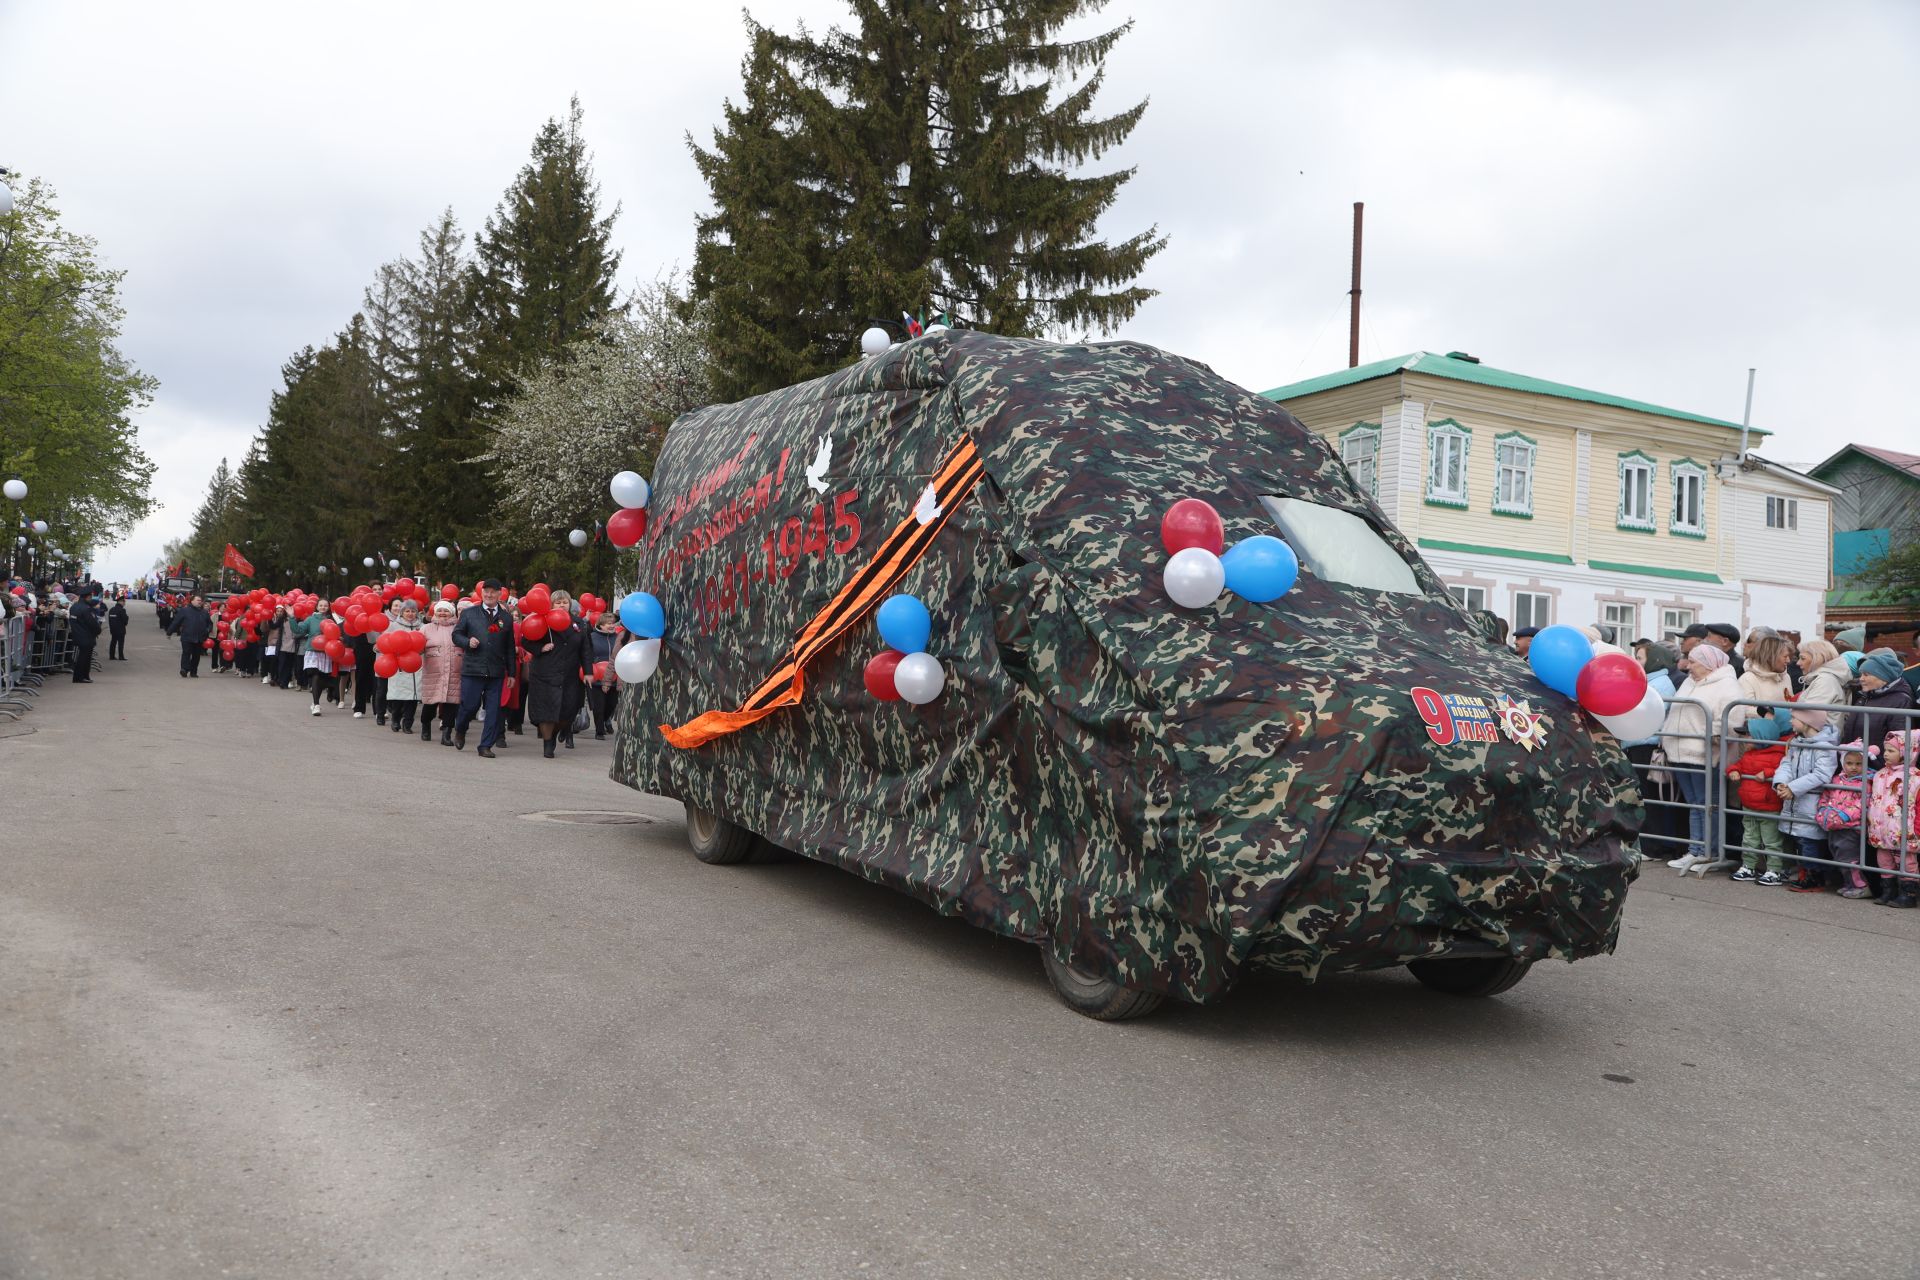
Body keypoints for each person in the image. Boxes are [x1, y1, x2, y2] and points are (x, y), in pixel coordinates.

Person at [1660, 643, 1744, 873]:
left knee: (1708, 804)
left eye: (1694, 661)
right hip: (1679, 749)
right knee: (1695, 804)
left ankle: (1710, 851)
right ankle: (1696, 850)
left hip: (1705, 753)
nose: (1688, 665)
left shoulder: (1727, 685)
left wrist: (1716, 734)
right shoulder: (1690, 681)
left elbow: (1732, 716)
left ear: (1708, 664)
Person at [1770, 707, 1838, 890]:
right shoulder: (1796, 743)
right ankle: (1805, 873)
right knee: (1801, 841)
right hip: (1795, 800)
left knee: (1809, 841)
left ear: (1807, 722)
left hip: (1811, 802)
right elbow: (1786, 764)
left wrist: (1793, 788)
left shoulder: (1825, 747)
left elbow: (1822, 774)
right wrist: (1781, 783)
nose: (1790, 721)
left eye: (1794, 718)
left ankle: (1814, 877)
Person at [522, 590, 590, 758]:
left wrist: (588, 671)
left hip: (570, 674)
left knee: (568, 711)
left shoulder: (579, 623)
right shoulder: (542, 620)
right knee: (546, 711)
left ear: (570, 604)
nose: (561, 605)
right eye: (558, 602)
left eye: (565, 602)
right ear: (551, 604)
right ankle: (547, 743)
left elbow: (586, 649)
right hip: (545, 673)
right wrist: (540, 648)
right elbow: (526, 640)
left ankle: (554, 733)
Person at [451, 580, 516, 757]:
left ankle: (485, 745)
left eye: (493, 592)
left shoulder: (506, 618)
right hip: (473, 668)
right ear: (481, 593)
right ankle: (461, 729)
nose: (489, 595)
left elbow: (510, 647)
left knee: (493, 711)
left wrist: (512, 673)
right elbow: (456, 635)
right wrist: (467, 642)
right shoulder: (469, 613)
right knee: (469, 706)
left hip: (496, 671)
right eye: (486, 591)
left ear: (500, 595)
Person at [1864, 729, 1919, 908]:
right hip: (1881, 830)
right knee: (1884, 861)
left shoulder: (1915, 778)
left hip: (1904, 831)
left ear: (1906, 753)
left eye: (1891, 751)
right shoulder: (1880, 774)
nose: (1886, 754)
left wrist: (1917, 829)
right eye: (1885, 750)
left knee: (1907, 863)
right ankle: (1888, 890)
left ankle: (1908, 893)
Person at [1726, 731, 1788, 884]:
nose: (1746, 739)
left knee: (1772, 841)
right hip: (1749, 806)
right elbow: (1738, 765)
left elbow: (1783, 771)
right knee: (1749, 839)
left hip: (1769, 806)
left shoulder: (1778, 755)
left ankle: (1774, 870)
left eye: (1751, 736)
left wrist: (1767, 773)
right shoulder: (1749, 755)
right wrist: (1733, 770)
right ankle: (1749, 866)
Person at [1816, 739, 1872, 899]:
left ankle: (1861, 886)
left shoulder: (1865, 782)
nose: (1853, 767)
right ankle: (1848, 884)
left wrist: (1844, 815)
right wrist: (1822, 812)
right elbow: (1826, 796)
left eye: (1858, 764)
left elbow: (1863, 804)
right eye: (1849, 763)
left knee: (1850, 859)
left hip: (1850, 828)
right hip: (1833, 825)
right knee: (1838, 856)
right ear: (1843, 763)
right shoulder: (1836, 780)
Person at [1841, 650, 1915, 764]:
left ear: (1883, 678)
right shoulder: (1866, 696)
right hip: (1856, 766)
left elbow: (1897, 742)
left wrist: (1879, 765)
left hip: (1877, 768)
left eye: (1866, 674)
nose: (1861, 679)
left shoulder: (1900, 700)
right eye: (1861, 674)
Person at [418, 600, 464, 745]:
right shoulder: (425, 628)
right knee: (430, 703)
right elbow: (418, 647)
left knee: (452, 704)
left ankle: (447, 734)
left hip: (455, 672)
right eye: (440, 610)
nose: (443, 613)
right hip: (433, 672)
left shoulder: (460, 628)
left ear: (452, 612)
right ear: (435, 612)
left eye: (446, 610)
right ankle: (426, 726)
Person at [383, 599, 424, 735]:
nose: (410, 613)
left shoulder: (422, 627)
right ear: (402, 612)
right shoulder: (393, 626)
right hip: (399, 667)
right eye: (407, 611)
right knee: (399, 698)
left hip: (416, 667)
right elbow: (383, 643)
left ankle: (407, 724)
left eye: (413, 611)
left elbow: (425, 644)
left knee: (412, 699)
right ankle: (395, 720)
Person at [586, 610, 624, 739]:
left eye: (613, 623)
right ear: (601, 625)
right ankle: (599, 731)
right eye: (608, 623)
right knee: (599, 706)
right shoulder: (592, 637)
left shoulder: (619, 637)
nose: (612, 625)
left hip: (614, 677)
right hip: (597, 677)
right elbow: (586, 655)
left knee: (611, 705)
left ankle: (606, 719)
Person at [1795, 637, 1850, 712]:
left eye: (1803, 658)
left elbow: (1808, 715)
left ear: (1817, 659)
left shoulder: (1825, 680)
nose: (1798, 663)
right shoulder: (1825, 678)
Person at [167, 594, 213, 677]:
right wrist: (169, 632)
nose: (200, 602)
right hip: (187, 637)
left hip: (199, 638)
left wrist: (207, 630)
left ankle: (193, 672)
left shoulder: (204, 612)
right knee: (186, 653)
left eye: (200, 601)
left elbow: (209, 624)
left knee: (196, 656)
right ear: (192, 601)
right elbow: (176, 622)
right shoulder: (185, 610)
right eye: (198, 600)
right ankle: (184, 669)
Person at [67, 593, 101, 682]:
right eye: (90, 598)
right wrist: (98, 630)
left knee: (82, 656)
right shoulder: (86, 609)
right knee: (85, 657)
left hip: (77, 634)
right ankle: (82, 676)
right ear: (87, 597)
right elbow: (92, 623)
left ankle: (80, 676)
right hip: (87, 635)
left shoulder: (74, 607)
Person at [107, 596, 129, 660]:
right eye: (124, 602)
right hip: (120, 629)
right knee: (120, 643)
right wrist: (127, 619)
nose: (124, 603)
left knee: (113, 642)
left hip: (113, 629)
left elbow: (110, 620)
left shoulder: (111, 609)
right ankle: (121, 656)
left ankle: (111, 656)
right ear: (121, 602)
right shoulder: (122, 610)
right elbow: (125, 620)